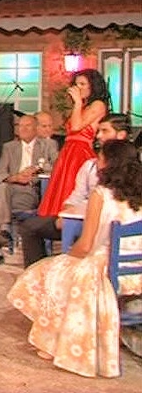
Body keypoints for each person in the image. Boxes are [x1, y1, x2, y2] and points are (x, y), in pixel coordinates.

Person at [7, 139, 142, 378]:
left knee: (47, 272)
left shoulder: (101, 195)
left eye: (100, 157)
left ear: (109, 164)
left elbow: (85, 245)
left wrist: (68, 258)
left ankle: (51, 341)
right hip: (137, 269)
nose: (96, 162)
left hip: (106, 267)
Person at [19, 113, 131, 267]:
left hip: (109, 228)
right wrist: (66, 213)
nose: (98, 136)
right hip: (80, 218)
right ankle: (36, 268)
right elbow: (76, 196)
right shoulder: (90, 165)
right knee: (30, 226)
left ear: (121, 135)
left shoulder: (130, 171)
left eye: (105, 131)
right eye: (98, 131)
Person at [0, 115, 59, 266]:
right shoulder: (9, 147)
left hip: (30, 189)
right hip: (11, 186)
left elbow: (57, 166)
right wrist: (16, 177)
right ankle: (4, 227)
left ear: (36, 128)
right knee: (1, 188)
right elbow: (0, 175)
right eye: (20, 126)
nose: (22, 129)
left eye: (27, 125)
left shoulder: (48, 145)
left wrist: (37, 168)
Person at [37, 69, 108, 217]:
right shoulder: (83, 106)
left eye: (82, 84)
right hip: (69, 150)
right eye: (76, 84)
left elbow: (76, 126)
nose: (78, 88)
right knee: (60, 185)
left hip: (80, 151)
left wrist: (77, 103)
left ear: (92, 86)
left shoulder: (98, 105)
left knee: (72, 184)